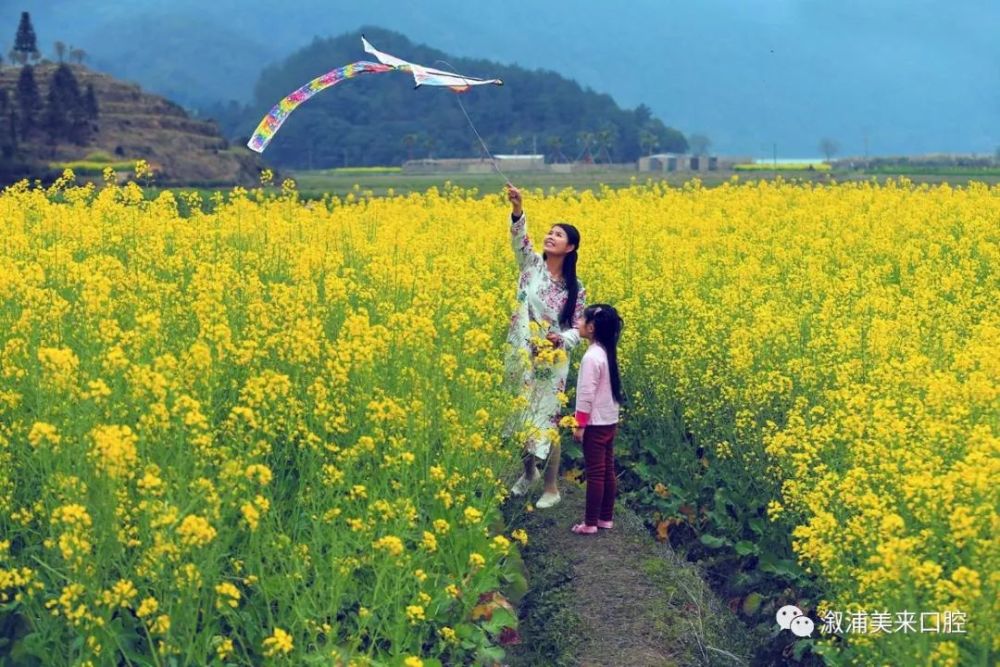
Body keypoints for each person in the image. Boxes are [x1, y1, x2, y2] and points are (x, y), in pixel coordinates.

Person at [505, 184, 586, 509]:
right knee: (518, 417)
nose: (550, 237)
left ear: (570, 247)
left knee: (546, 421)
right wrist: (517, 208)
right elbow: (518, 240)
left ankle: (551, 487)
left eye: (558, 235)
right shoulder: (531, 265)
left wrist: (560, 339)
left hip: (551, 362)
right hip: (521, 351)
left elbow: (579, 328)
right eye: (549, 233)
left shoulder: (575, 288)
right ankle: (529, 473)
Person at [570, 304, 625, 534]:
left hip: (594, 422)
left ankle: (590, 523)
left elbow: (586, 395)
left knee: (595, 472)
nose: (578, 322)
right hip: (609, 419)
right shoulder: (606, 352)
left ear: (591, 328)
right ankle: (605, 518)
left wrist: (579, 425)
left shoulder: (591, 357)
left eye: (582, 319)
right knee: (606, 470)